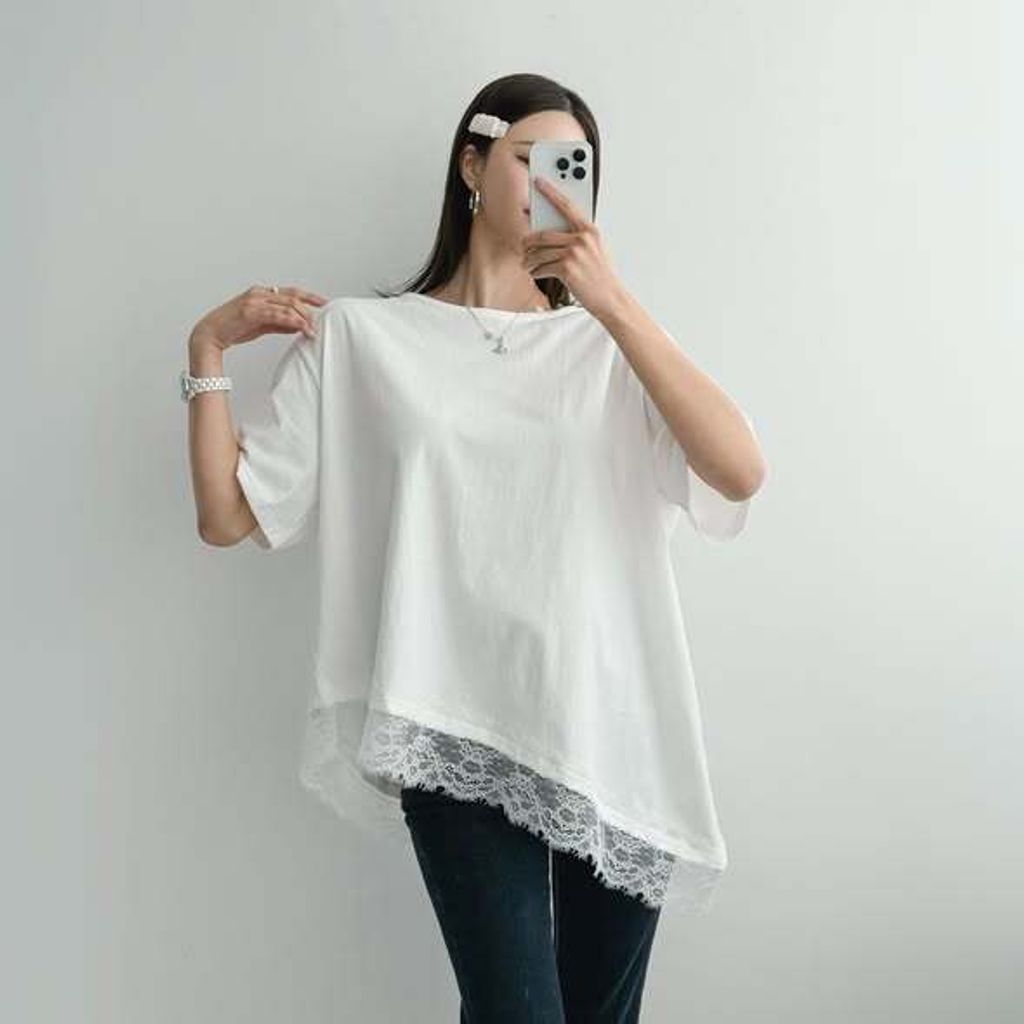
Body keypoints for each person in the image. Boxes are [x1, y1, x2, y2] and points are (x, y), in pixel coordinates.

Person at [183, 72, 766, 1023]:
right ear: (471, 164)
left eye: (573, 167)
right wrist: (207, 349)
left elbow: (739, 472)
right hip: (451, 713)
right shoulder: (366, 339)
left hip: (612, 722)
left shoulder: (611, 347)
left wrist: (611, 302)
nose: (551, 183)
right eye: (530, 159)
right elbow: (228, 515)